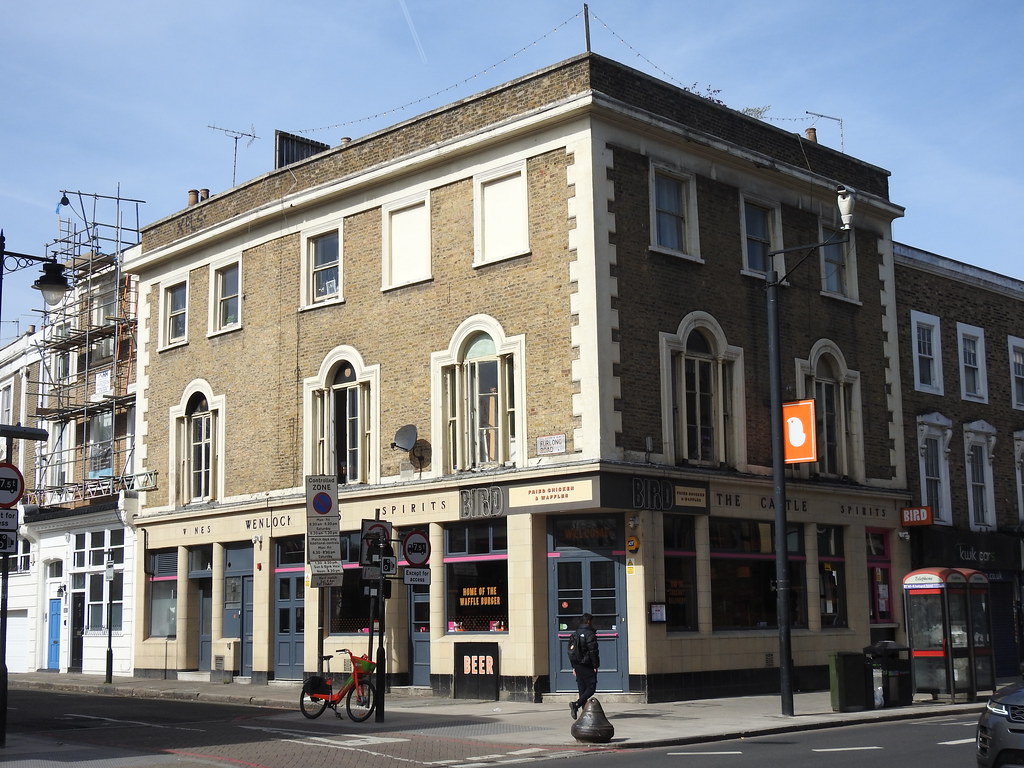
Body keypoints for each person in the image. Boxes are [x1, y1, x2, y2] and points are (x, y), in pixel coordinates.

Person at [569, 613, 600, 719]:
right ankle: (576, 705)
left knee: (582, 689)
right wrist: (595, 665)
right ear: (588, 622)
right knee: (591, 687)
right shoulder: (590, 634)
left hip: (577, 665)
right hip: (587, 664)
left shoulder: (575, 634)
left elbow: (571, 652)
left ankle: (584, 714)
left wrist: (573, 666)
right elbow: (593, 651)